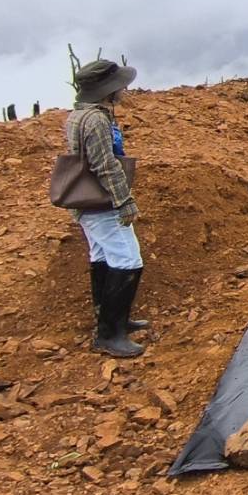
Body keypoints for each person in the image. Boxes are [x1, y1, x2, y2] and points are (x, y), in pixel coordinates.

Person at [65, 60, 148, 358]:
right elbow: (104, 165)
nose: (124, 90)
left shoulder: (79, 115)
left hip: (86, 201)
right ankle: (110, 334)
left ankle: (113, 320)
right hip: (102, 202)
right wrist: (124, 200)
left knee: (102, 256)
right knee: (128, 260)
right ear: (107, 89)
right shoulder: (97, 121)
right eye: (119, 85)